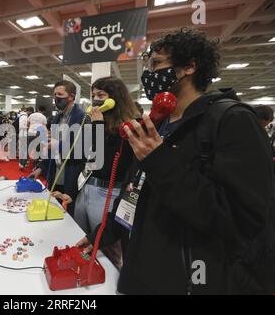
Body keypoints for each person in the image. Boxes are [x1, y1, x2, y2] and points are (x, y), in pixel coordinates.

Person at [77, 28, 275, 294]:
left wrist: (160, 161)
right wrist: (104, 233)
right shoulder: (159, 124)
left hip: (193, 278)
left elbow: (241, 219)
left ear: (189, 67)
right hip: (142, 268)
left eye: (156, 64)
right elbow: (137, 191)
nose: (149, 74)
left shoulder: (232, 121)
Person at [74, 77, 138, 236]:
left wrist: (97, 126)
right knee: (79, 236)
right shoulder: (94, 122)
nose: (95, 100)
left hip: (107, 192)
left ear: (114, 98)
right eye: (93, 96)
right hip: (86, 186)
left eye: (101, 96)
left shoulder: (127, 126)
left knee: (102, 244)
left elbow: (106, 162)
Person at [28, 80, 87, 216]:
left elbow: (84, 151)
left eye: (60, 94)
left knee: (70, 216)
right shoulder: (56, 118)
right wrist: (41, 168)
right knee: (54, 211)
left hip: (72, 175)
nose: (56, 98)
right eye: (54, 94)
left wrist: (59, 145)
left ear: (71, 96)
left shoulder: (83, 118)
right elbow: (51, 148)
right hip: (55, 173)